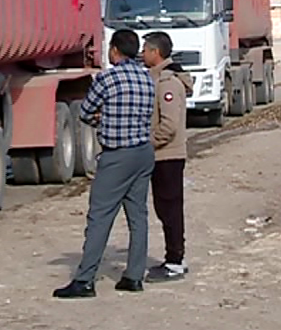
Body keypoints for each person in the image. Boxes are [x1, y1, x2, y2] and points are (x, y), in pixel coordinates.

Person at [53, 29, 157, 299]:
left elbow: (86, 113)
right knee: (138, 217)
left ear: (114, 51)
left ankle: (85, 280)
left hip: (117, 155)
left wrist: (104, 117)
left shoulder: (107, 78)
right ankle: (134, 276)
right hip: (143, 152)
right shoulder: (147, 78)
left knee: (100, 217)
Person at [141, 31, 194, 283]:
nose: (142, 54)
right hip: (162, 155)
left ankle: (175, 261)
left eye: (145, 50)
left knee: (170, 209)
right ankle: (174, 258)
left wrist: (147, 143)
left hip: (167, 155)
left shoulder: (168, 83)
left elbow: (169, 125)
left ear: (156, 53)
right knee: (165, 208)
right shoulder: (158, 79)